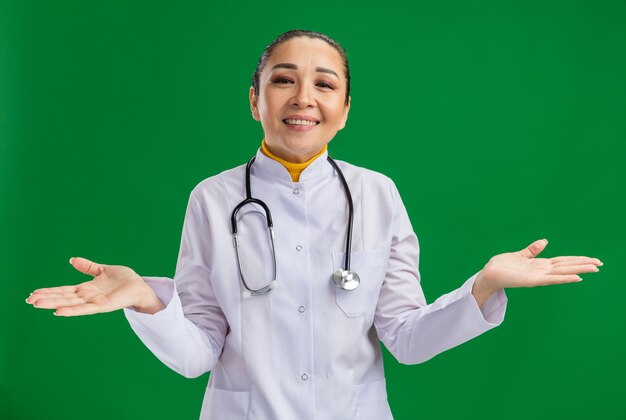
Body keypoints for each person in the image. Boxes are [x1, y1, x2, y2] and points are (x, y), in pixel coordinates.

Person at [25, 30, 602, 420]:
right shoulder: (213, 198)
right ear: (255, 100)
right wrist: (148, 301)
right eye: (283, 79)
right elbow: (197, 353)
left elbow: (406, 338)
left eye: (325, 84)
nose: (304, 97)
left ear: (345, 108)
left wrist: (485, 286)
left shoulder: (377, 195)